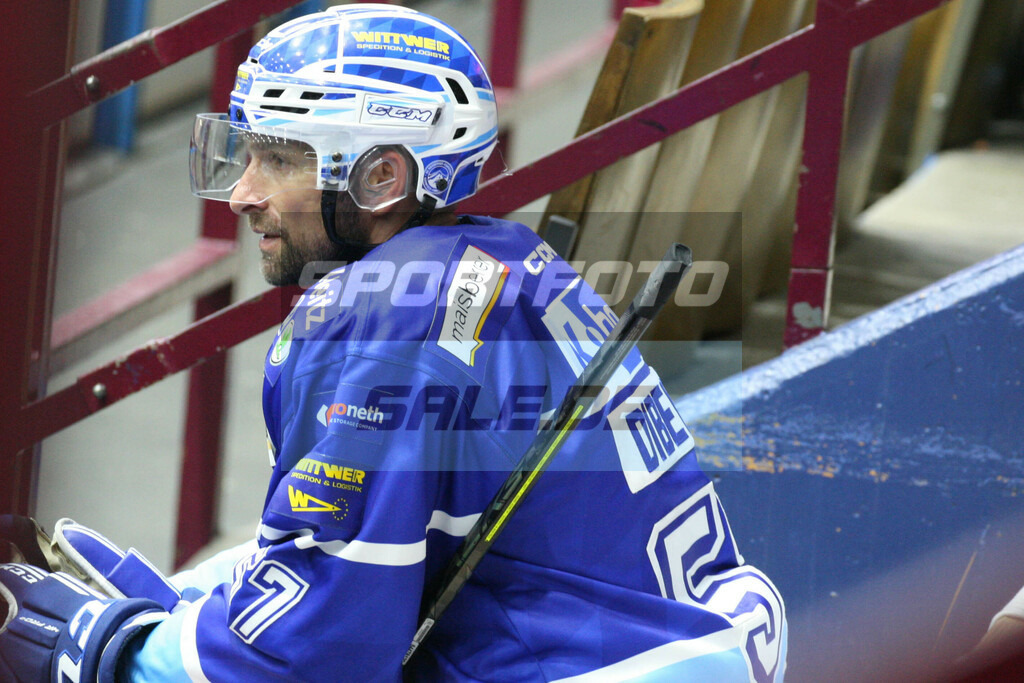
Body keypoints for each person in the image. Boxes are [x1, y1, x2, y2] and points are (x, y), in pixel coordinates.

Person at [0, 4, 786, 681]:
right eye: (244, 154)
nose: (243, 192)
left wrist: (104, 647)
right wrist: (187, 604)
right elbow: (346, 555)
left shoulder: (383, 319)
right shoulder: (502, 260)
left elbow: (308, 659)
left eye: (278, 158)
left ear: (380, 178)